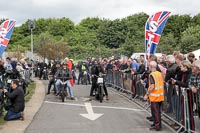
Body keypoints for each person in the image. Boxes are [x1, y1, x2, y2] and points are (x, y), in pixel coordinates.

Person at [144, 61, 164, 131]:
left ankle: (157, 126)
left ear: (151, 66)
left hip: (155, 96)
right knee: (158, 112)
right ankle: (157, 124)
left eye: (149, 66)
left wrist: (147, 94)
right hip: (160, 95)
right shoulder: (159, 73)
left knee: (155, 112)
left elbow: (152, 86)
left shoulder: (152, 74)